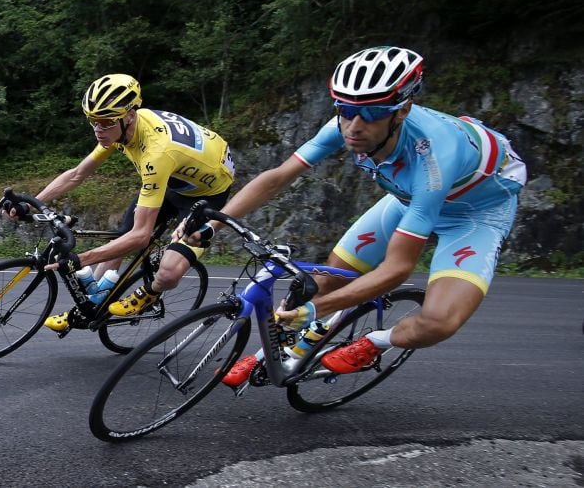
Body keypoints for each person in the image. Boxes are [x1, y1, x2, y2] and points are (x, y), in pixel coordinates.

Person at [178, 46, 527, 387]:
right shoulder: (345, 125)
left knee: (439, 322)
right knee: (332, 279)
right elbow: (278, 177)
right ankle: (275, 352)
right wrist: (213, 224)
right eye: (345, 109)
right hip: (408, 200)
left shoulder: (436, 155)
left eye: (373, 113)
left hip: (473, 215)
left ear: (402, 110)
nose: (354, 126)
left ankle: (374, 342)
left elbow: (397, 269)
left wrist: (320, 308)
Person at [4, 74, 235, 331]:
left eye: (104, 123)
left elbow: (141, 237)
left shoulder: (156, 153)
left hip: (208, 192)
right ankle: (91, 304)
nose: (98, 130)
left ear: (130, 116)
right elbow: (77, 174)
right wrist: (30, 203)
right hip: (174, 179)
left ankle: (149, 292)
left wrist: (82, 259)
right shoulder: (120, 129)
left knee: (167, 270)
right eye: (92, 122)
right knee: (120, 240)